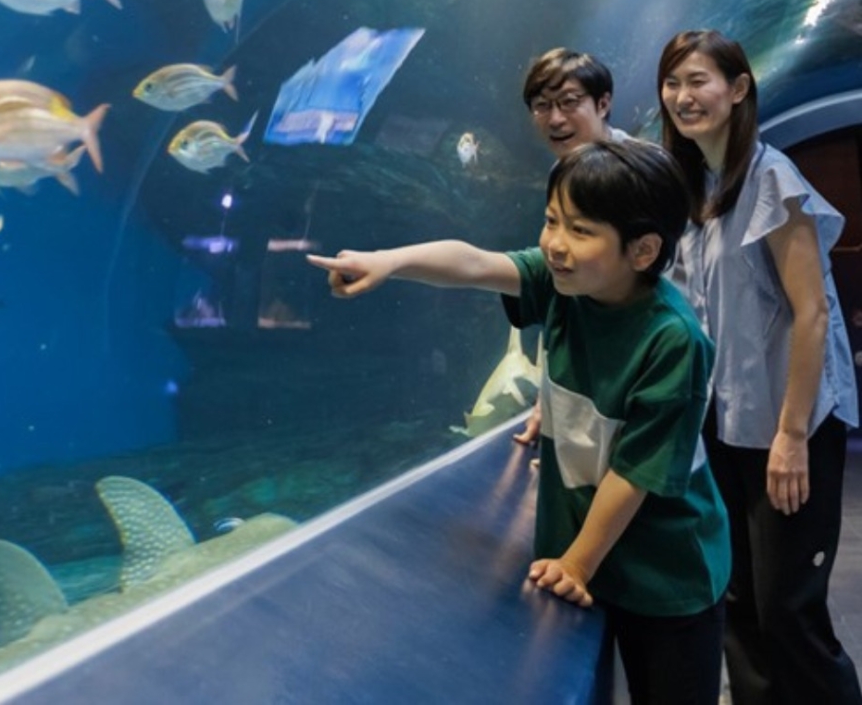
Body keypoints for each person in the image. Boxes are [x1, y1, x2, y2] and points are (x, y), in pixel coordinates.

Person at [309, 140, 730, 705]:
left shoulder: (674, 340)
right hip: (588, 550)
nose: (555, 244)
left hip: (666, 569)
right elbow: (476, 263)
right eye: (552, 221)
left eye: (581, 231)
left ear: (644, 249)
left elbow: (636, 473)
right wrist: (390, 262)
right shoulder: (568, 287)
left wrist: (578, 563)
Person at [658, 29, 862, 705]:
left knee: (788, 612)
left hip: (788, 427)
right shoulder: (696, 189)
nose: (683, 96)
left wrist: (793, 436)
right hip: (726, 426)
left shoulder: (772, 177)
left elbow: (813, 315)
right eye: (673, 83)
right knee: (737, 600)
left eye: (698, 80)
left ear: (739, 88)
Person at [514, 47, 630, 445]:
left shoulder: (638, 174)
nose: (555, 118)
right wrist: (549, 397)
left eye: (569, 102)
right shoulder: (564, 171)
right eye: (542, 106)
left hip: (637, 379)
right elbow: (561, 294)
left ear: (603, 102)